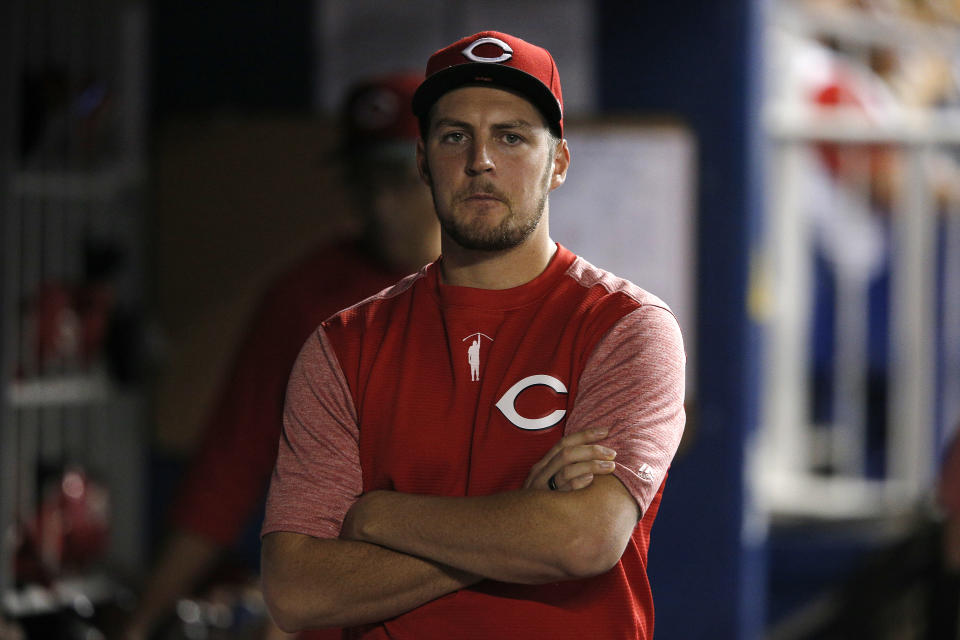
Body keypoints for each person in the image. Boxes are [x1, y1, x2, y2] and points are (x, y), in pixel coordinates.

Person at [260, 31, 686, 639]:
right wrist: (523, 519)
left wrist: (379, 514)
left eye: (511, 136)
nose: (480, 159)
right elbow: (297, 592)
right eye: (454, 135)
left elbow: (583, 539)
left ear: (558, 162)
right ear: (422, 160)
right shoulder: (343, 346)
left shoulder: (626, 328)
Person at [117, 72, 440, 640]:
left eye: (398, 182)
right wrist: (144, 618)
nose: (381, 208)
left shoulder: (512, 293)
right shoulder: (308, 296)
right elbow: (231, 460)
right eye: (364, 185)